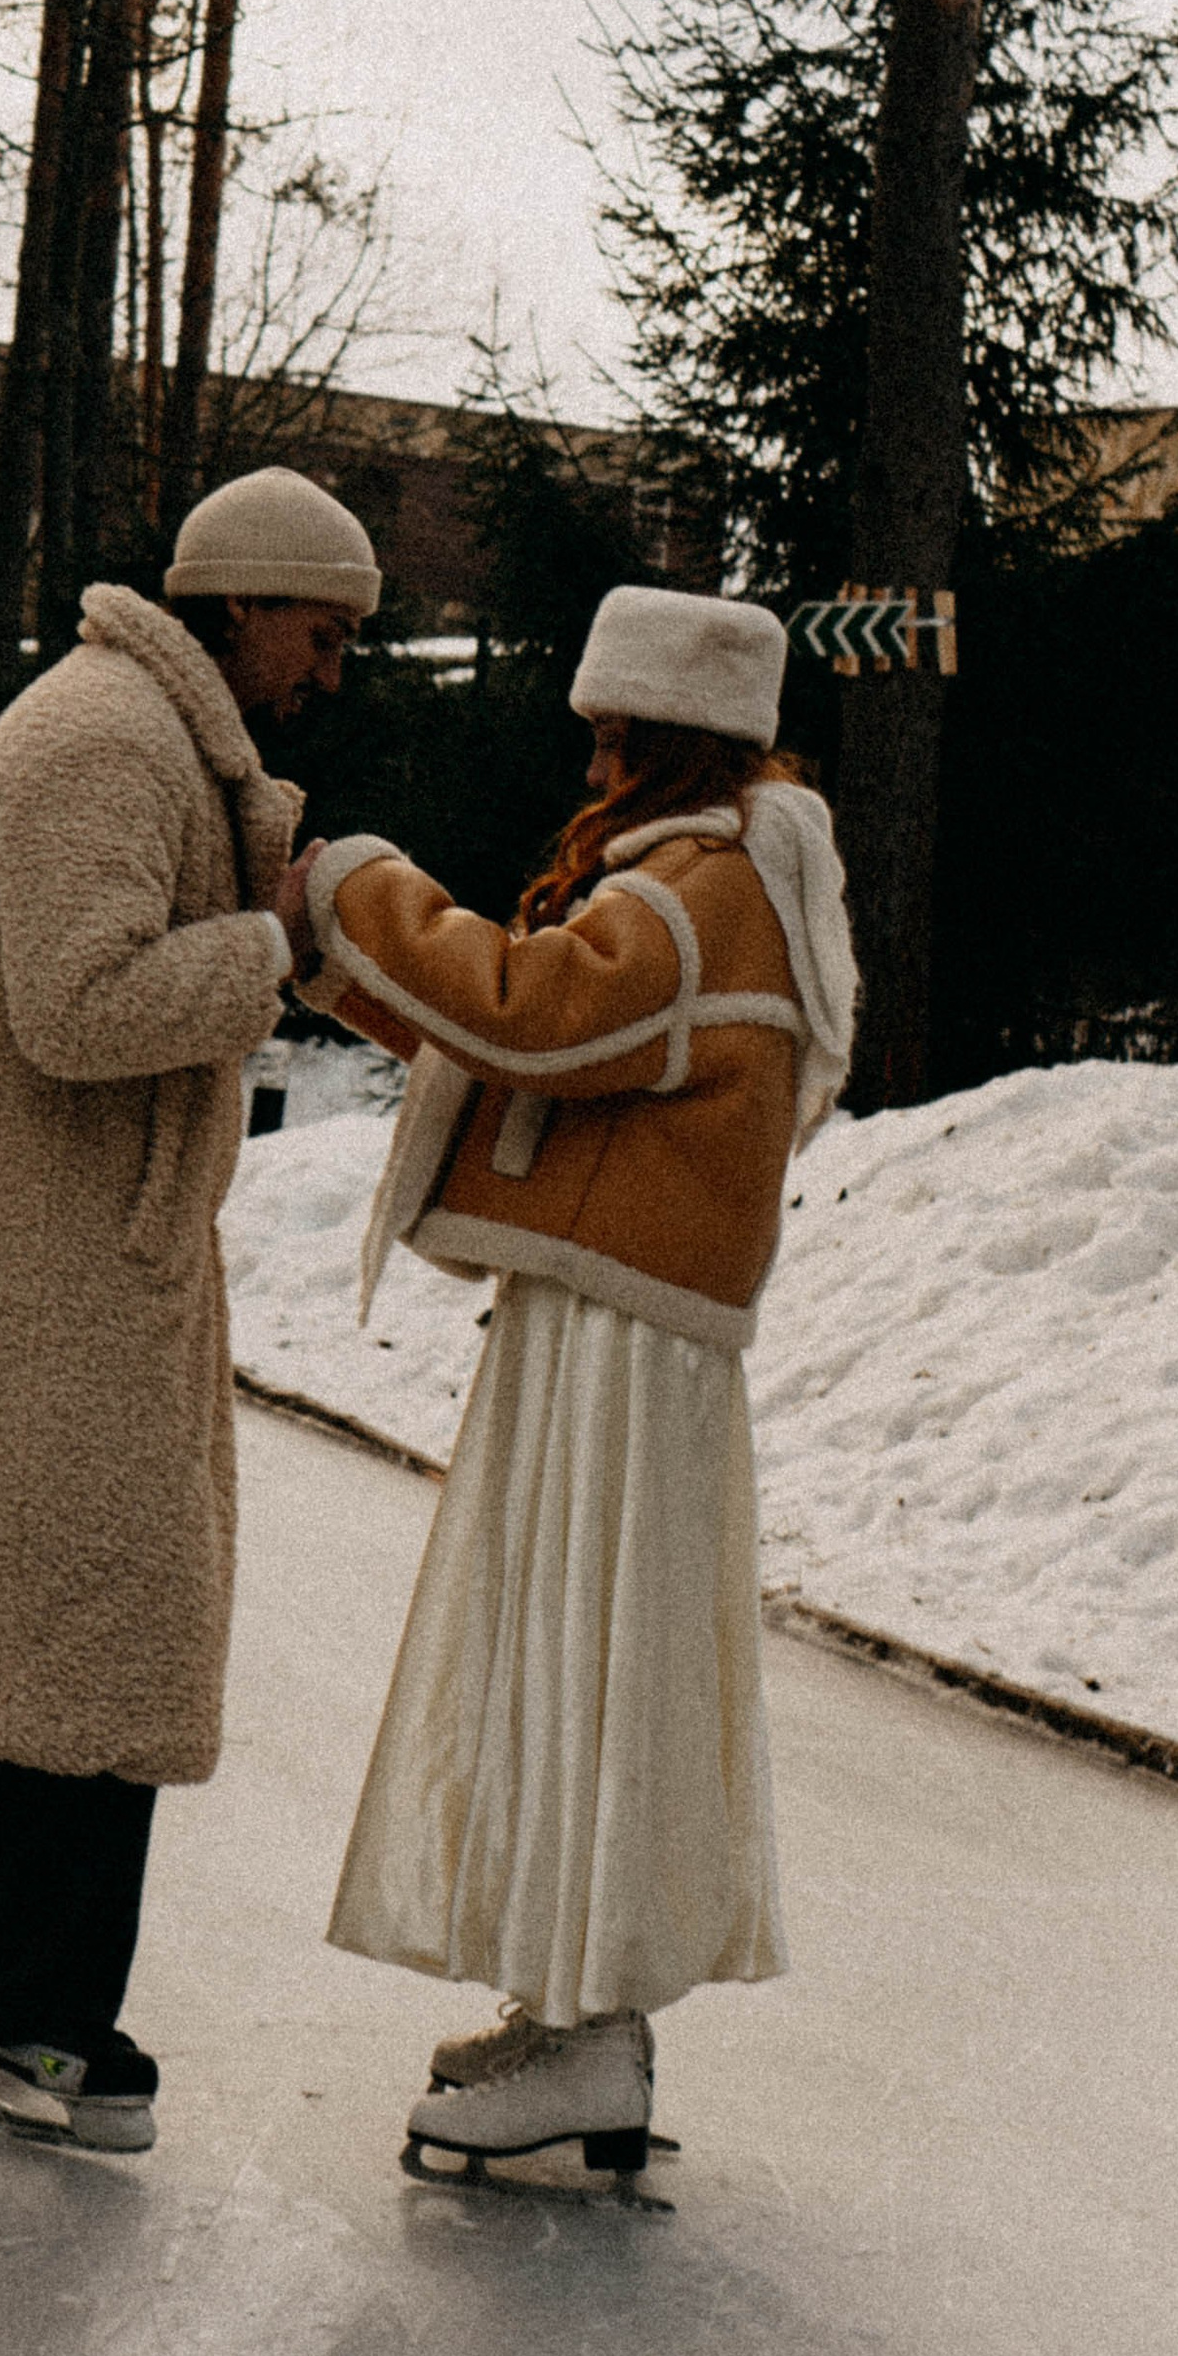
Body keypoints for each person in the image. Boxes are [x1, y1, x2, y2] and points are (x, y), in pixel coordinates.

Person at [0, 465, 374, 2154]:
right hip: (50, 1272)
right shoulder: (108, 737)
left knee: (22, 1620)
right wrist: (280, 934)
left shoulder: (131, 728)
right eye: (322, 634)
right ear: (241, 603)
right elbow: (83, 1003)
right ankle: (27, 2020)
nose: (331, 672)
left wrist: (278, 922)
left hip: (52, 1259)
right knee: (99, 1631)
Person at [276, 585, 855, 2182]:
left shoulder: (703, 894)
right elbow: (522, 1034)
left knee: (586, 1667)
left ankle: (593, 2029)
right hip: (618, 1327)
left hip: (627, 1344)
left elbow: (533, 1018)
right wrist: (342, 959)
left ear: (684, 741)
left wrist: (360, 888)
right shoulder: (703, 876)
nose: (594, 764)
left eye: (620, 738)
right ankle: (574, 2010)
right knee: (569, 1658)